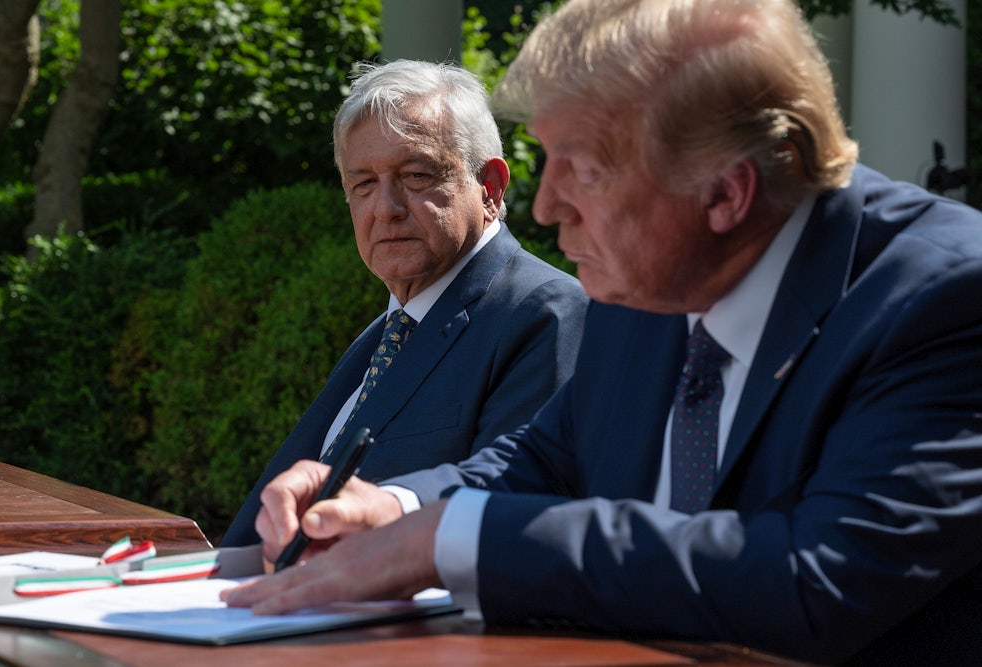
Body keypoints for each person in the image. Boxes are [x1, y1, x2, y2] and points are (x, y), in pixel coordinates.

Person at [222, 0, 982, 663]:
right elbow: (550, 456)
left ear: (725, 191)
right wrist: (393, 510)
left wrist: (458, 542)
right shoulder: (652, 272)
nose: (546, 206)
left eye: (582, 168)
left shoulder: (943, 298)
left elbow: (818, 581)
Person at [220, 59, 588, 546]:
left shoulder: (546, 312)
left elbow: (518, 505)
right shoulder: (385, 333)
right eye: (364, 184)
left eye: (416, 175)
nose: (385, 209)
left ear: (491, 189)